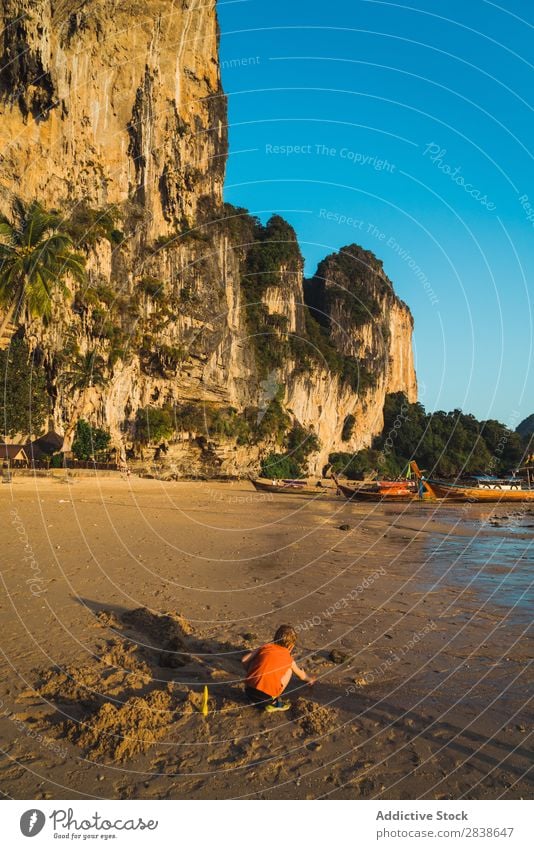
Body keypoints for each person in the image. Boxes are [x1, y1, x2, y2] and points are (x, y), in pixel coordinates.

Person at [242, 624, 316, 712]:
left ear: (275, 638)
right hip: (267, 698)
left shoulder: (265, 647)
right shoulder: (289, 660)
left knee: (257, 660)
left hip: (248, 690)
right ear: (291, 646)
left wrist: (251, 671)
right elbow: (301, 676)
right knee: (289, 671)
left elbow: (244, 660)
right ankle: (273, 702)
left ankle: (253, 699)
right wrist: (310, 679)